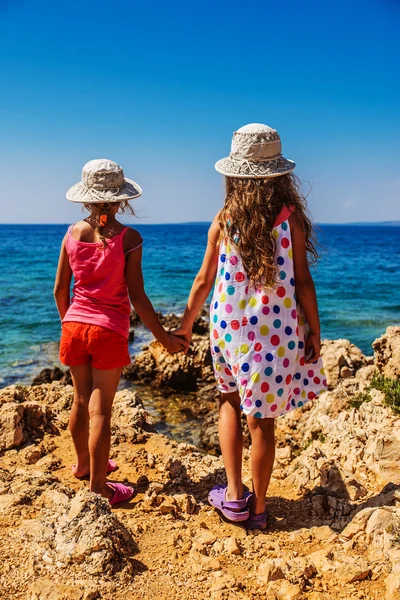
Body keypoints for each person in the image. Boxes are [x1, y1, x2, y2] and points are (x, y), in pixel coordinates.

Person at [173, 124, 327, 529]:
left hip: (227, 328)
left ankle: (235, 495)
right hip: (274, 335)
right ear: (280, 177)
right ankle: (258, 510)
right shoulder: (289, 221)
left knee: (228, 402)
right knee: (263, 424)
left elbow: (204, 281)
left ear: (235, 175)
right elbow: (303, 282)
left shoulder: (224, 220)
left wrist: (186, 326)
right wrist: (315, 329)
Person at [54, 159, 187, 506]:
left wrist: (70, 323)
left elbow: (59, 290)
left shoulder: (71, 234)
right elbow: (137, 296)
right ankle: (99, 489)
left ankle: (84, 465)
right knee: (101, 411)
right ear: (119, 200)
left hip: (73, 325)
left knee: (80, 400)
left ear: (86, 198)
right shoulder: (130, 238)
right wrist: (165, 339)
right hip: (108, 331)